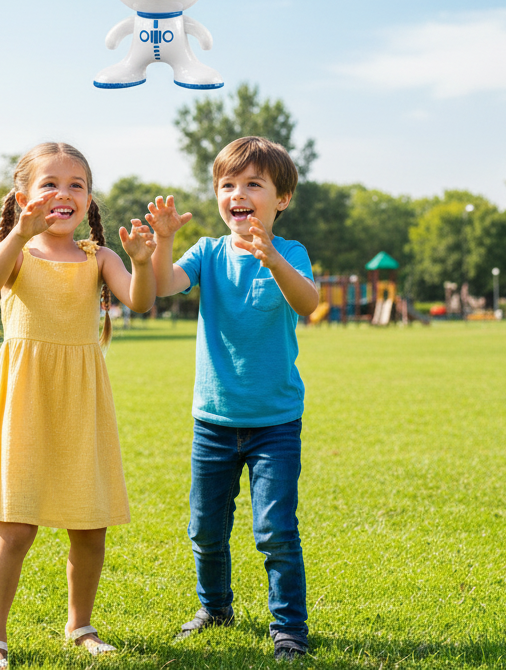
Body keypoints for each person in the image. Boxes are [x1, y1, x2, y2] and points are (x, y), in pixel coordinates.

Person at [0, 142, 156, 668]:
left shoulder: (101, 258)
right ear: (23, 195)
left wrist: (142, 262)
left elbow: (140, 300)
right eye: (50, 183)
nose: (63, 193)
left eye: (76, 184)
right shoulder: (18, 253)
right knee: (18, 525)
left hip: (82, 401)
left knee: (89, 525)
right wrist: (18, 236)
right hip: (27, 402)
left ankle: (81, 625)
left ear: (89, 198)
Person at [147, 136, 319, 661]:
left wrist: (272, 260)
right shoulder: (208, 252)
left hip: (275, 423)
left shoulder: (290, 253)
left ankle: (289, 627)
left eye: (253, 184)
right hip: (213, 422)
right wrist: (161, 243)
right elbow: (161, 285)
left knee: (275, 530)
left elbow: (308, 303)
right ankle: (215, 608)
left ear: (281, 199)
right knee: (206, 528)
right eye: (228, 185)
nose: (237, 194)